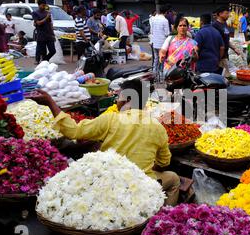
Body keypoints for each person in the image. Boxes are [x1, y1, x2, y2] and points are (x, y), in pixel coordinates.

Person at [30, 79, 181, 206]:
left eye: (119, 97)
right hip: (142, 184)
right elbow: (164, 162)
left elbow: (73, 132)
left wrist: (50, 102)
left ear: (128, 99)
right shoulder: (158, 127)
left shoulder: (110, 119)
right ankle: (163, 217)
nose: (116, 100)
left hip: (110, 183)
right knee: (173, 179)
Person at [212, 6, 241, 77]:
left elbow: (226, 40)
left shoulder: (224, 24)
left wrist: (234, 48)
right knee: (224, 77)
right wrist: (219, 57)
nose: (228, 15)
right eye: (226, 13)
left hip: (225, 55)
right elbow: (214, 42)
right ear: (220, 14)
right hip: (219, 57)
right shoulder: (215, 25)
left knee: (225, 77)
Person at [32, 0, 56, 64]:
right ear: (39, 5)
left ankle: (45, 60)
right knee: (43, 51)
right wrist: (46, 18)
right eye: (42, 5)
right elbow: (38, 23)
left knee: (53, 50)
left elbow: (50, 23)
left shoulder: (47, 13)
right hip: (41, 34)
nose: (44, 7)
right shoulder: (35, 13)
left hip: (49, 34)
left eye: (45, 5)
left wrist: (53, 33)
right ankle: (42, 61)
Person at [151, 6, 170, 75]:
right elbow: (167, 33)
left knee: (156, 58)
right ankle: (161, 74)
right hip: (162, 44)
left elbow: (152, 31)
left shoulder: (154, 19)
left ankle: (154, 72)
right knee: (162, 59)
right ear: (166, 12)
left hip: (154, 42)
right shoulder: (165, 20)